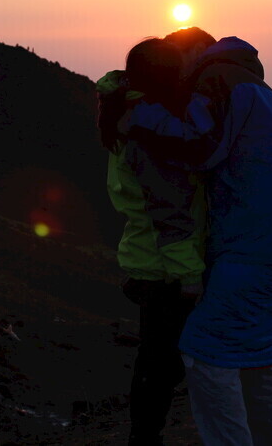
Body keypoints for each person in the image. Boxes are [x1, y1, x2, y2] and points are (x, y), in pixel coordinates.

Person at [124, 28, 272, 446]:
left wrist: (137, 117)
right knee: (260, 354)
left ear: (196, 51)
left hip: (251, 246)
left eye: (177, 59)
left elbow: (198, 144)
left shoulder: (216, 78)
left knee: (204, 350)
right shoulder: (257, 86)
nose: (178, 75)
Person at [97, 37, 207, 446]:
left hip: (148, 258)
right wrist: (189, 275)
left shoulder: (130, 112)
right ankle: (144, 439)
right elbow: (169, 210)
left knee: (157, 361)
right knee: (161, 365)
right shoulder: (149, 125)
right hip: (165, 267)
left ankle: (144, 436)